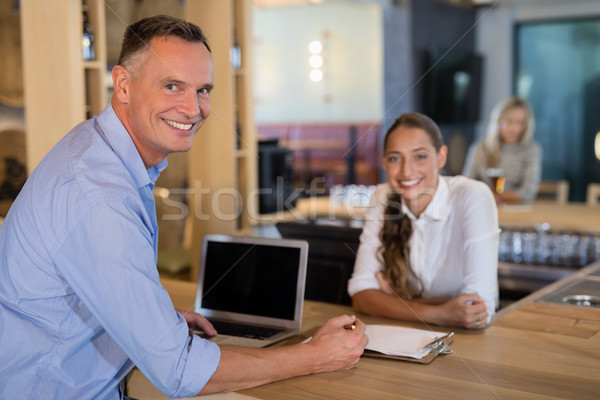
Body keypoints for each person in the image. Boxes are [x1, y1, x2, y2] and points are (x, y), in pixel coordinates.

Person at [0, 15, 367, 399]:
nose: (193, 109)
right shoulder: (101, 197)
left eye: (203, 89)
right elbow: (179, 372)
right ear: (123, 84)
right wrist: (314, 355)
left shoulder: (94, 148)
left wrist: (158, 322)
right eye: (172, 86)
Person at [347, 112, 499, 330]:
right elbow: (361, 296)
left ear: (441, 157)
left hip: (465, 343)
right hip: (404, 337)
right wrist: (438, 313)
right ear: (383, 161)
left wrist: (397, 302)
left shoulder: (473, 196)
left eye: (420, 156)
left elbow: (478, 308)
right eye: (395, 158)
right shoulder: (382, 195)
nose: (406, 170)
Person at [462, 96, 542, 203]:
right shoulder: (480, 148)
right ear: (498, 121)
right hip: (482, 206)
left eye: (520, 123)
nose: (514, 128)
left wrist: (497, 197)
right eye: (509, 121)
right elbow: (466, 185)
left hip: (517, 211)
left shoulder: (531, 149)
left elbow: (528, 192)